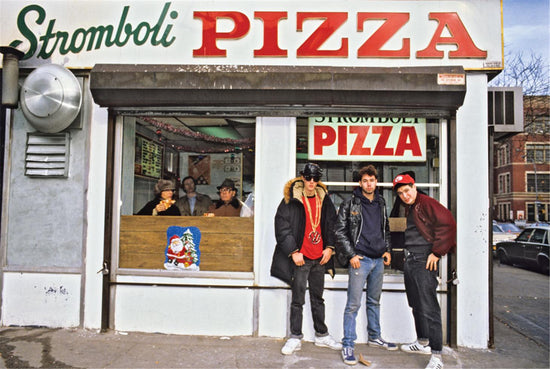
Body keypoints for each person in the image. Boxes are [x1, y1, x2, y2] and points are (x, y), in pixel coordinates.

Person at [270, 163, 342, 355]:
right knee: (297, 299)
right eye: (308, 178)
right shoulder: (291, 199)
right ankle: (295, 337)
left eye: (315, 178)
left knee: (318, 298)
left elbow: (332, 224)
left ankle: (321, 335)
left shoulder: (324, 199)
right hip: (301, 259)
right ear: (302, 177)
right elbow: (281, 226)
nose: (311, 182)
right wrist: (293, 251)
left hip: (320, 257)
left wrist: (330, 248)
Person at [391, 173, 456, 369]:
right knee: (416, 304)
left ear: (414, 186)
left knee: (429, 308)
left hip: (423, 261)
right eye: (401, 193)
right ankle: (423, 341)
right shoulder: (410, 206)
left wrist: (437, 252)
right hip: (411, 259)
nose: (405, 195)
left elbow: (448, 223)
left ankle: (437, 357)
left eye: (407, 190)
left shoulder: (426, 202)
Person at [335, 165, 397, 365]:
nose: (369, 184)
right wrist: (351, 254)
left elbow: (385, 228)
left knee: (374, 301)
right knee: (353, 305)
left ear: (375, 182)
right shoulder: (350, 203)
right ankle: (348, 345)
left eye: (372, 180)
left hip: (378, 260)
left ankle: (375, 336)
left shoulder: (381, 202)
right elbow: (339, 231)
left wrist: (386, 250)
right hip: (360, 260)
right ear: (360, 183)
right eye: (365, 181)